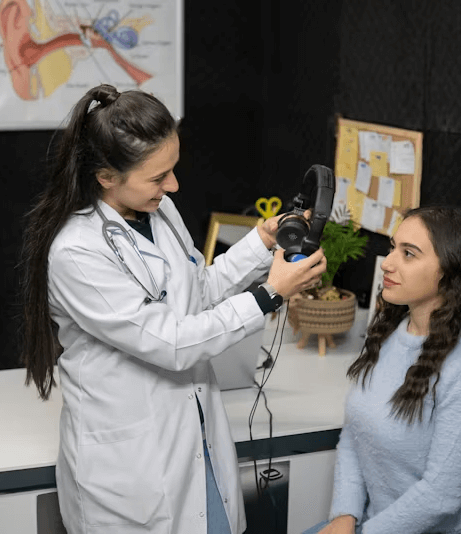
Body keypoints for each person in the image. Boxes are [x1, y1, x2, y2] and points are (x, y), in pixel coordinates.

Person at [19, 83, 327, 534]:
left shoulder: (158, 211)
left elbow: (197, 292)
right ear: (106, 175)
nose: (174, 185)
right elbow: (173, 342)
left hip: (195, 443)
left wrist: (262, 243)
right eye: (158, 176)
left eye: (172, 170)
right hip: (133, 471)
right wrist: (270, 295)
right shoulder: (76, 252)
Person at [305, 206, 461, 534]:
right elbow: (355, 434)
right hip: (382, 524)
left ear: (449, 271)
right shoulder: (388, 335)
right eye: (392, 248)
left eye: (409, 254)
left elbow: (439, 497)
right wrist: (344, 515)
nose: (387, 262)